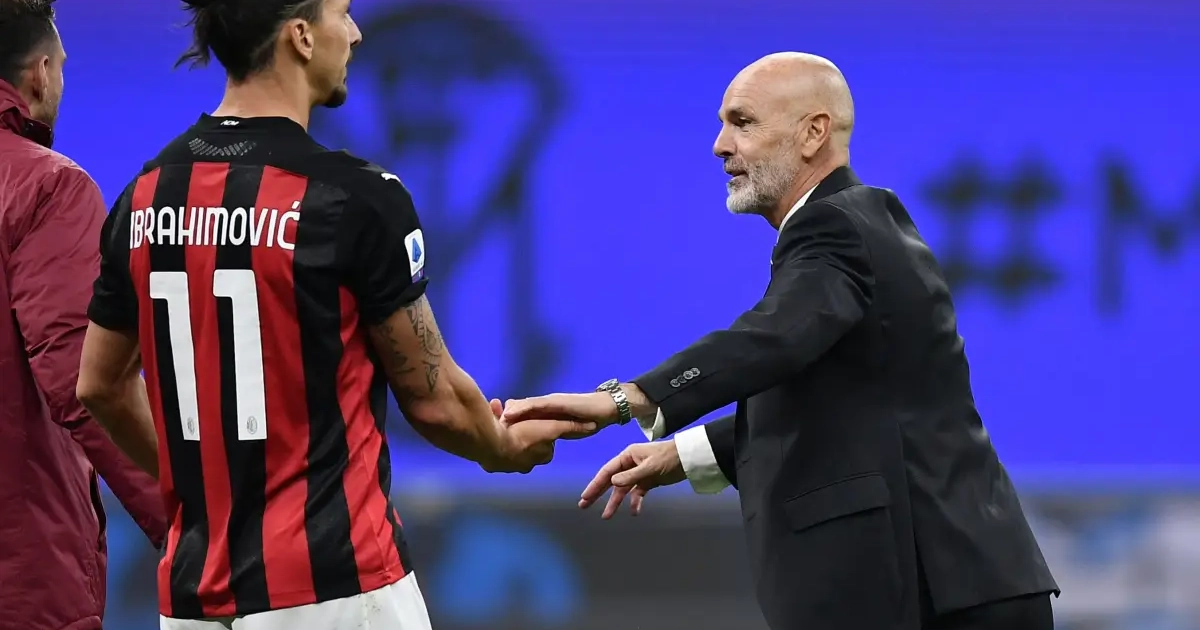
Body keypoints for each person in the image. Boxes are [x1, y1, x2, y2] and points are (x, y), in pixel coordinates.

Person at [75, 1, 589, 628]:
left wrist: (206, 489)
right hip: (337, 587)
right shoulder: (355, 197)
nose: (355, 33)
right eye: (341, 13)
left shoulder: (145, 195)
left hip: (194, 596)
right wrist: (501, 446)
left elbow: (99, 384)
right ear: (300, 36)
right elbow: (435, 402)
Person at [501, 52, 1060, 630]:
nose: (720, 146)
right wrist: (683, 456)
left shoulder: (834, 225)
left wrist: (626, 399)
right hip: (958, 581)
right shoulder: (863, 223)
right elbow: (841, 395)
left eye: (742, 123)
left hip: (929, 589)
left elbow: (775, 338)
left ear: (813, 133)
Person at [0, 2, 169, 630]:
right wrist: (193, 518)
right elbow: (85, 384)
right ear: (41, 73)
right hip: (21, 583)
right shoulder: (46, 188)